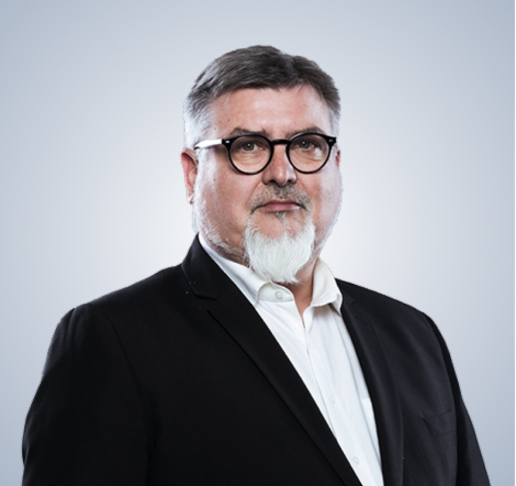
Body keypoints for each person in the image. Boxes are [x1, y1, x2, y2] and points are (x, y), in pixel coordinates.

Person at [22, 46, 489, 486]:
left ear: (336, 164)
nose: (282, 173)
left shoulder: (413, 333)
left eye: (307, 144)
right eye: (248, 146)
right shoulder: (112, 339)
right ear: (192, 173)